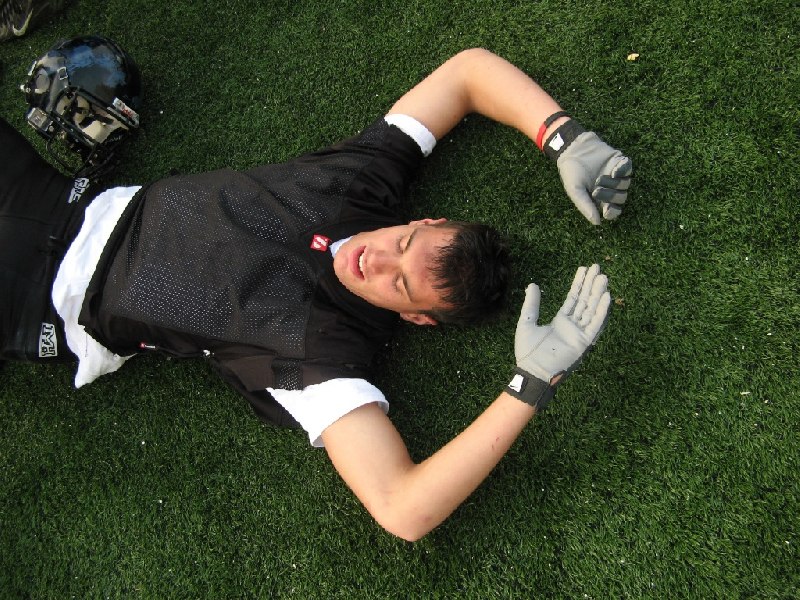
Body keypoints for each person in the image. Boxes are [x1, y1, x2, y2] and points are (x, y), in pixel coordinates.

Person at [2, 45, 631, 540]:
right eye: (404, 242)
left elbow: (402, 508)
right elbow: (467, 73)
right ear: (424, 220)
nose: (375, 259)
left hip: (44, 299)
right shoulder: (361, 185)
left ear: (417, 318)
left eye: (398, 283)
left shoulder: (326, 357)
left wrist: (530, 383)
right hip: (69, 200)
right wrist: (566, 138)